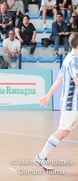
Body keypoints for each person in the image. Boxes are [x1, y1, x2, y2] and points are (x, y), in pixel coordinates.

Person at [35, 33, 78, 171]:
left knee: (65, 131)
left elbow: (59, 79)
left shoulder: (67, 58)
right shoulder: (74, 60)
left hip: (73, 103)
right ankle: (40, 158)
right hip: (72, 103)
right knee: (63, 131)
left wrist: (48, 95)